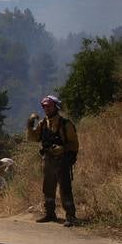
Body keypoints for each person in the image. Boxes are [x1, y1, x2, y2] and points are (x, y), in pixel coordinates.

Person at [27, 94, 79, 226]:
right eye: (44, 107)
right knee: (48, 189)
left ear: (55, 107)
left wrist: (63, 148)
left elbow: (74, 144)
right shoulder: (43, 123)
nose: (46, 109)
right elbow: (34, 138)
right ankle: (50, 213)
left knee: (65, 189)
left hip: (62, 161)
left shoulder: (65, 124)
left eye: (49, 106)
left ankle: (70, 216)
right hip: (48, 160)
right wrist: (29, 125)